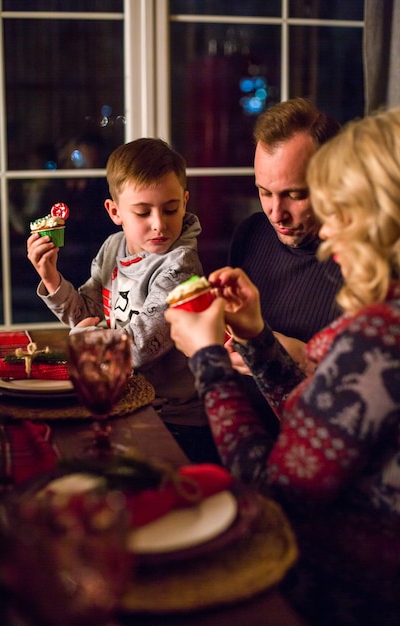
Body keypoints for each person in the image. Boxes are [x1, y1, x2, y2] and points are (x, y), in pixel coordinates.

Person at [165, 108, 400, 625]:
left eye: (339, 205)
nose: (330, 231)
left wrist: (207, 361)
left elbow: (273, 496)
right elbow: (320, 426)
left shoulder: (379, 334)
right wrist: (255, 337)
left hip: (339, 598)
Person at [27, 137, 219, 464]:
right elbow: (86, 312)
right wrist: (51, 278)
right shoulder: (113, 247)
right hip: (125, 401)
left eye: (170, 209)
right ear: (114, 212)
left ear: (185, 202)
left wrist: (84, 342)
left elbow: (140, 346)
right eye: (143, 212)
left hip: (174, 420)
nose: (159, 223)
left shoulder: (181, 264)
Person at [228, 98, 343, 434]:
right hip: (237, 435)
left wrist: (307, 360)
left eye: (295, 194)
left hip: (317, 455)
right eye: (264, 192)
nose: (276, 213)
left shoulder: (365, 262)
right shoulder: (251, 234)